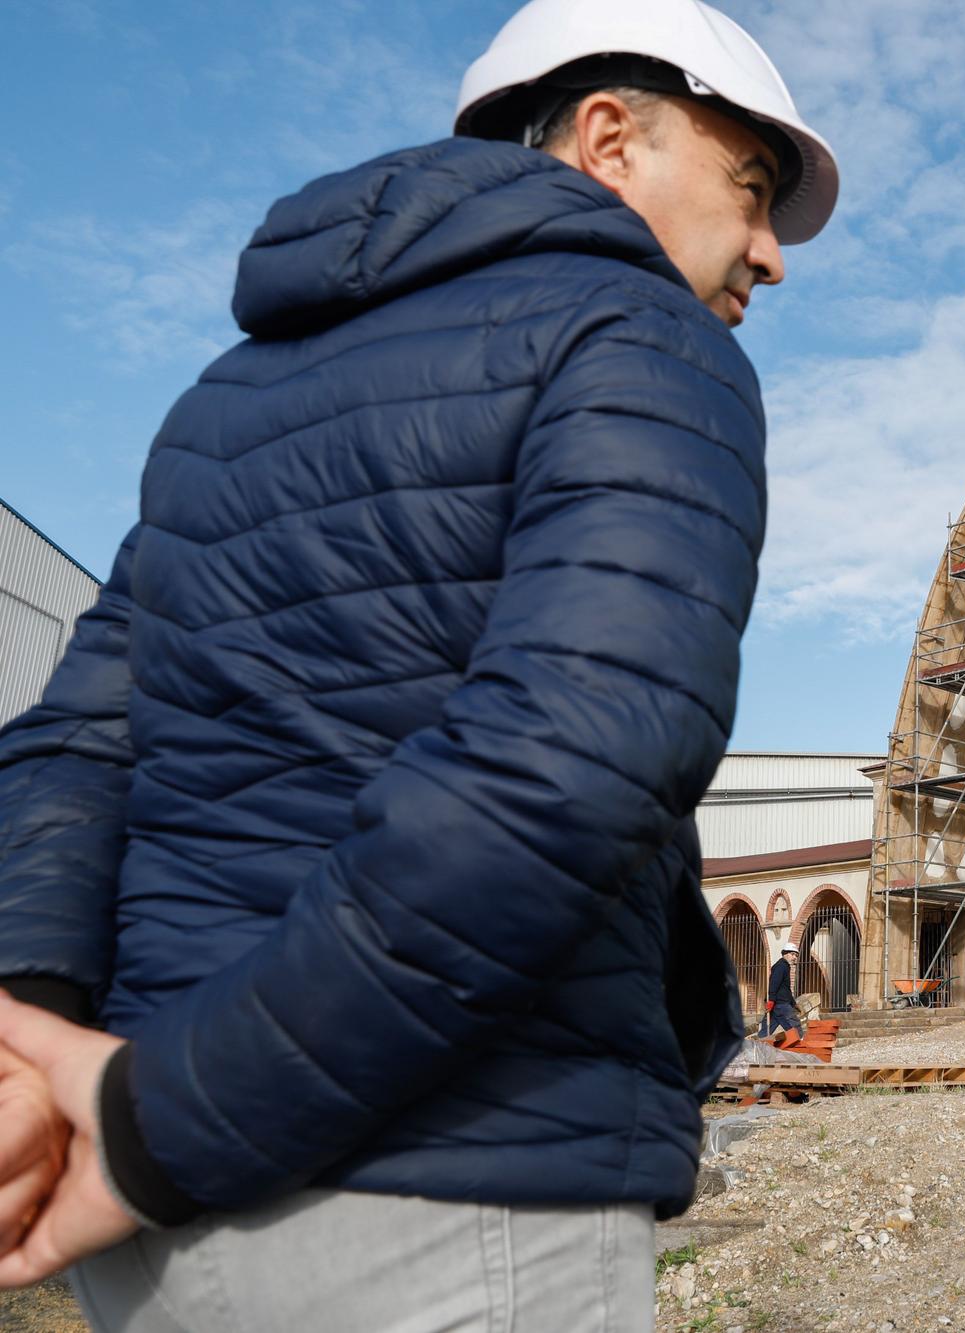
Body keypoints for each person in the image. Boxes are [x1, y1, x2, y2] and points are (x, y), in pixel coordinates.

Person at [0, 0, 837, 1325]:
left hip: (146, 1229)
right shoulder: (639, 339)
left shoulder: (232, 393)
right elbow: (566, 767)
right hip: (448, 1200)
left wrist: (29, 1043)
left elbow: (80, 735)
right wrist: (170, 1119)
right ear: (610, 138)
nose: (768, 255)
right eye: (749, 190)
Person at [762, 941, 803, 1042]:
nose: (794, 957)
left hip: (779, 1005)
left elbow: (785, 988)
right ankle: (802, 1046)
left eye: (796, 955)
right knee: (795, 1028)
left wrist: (793, 1003)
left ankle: (757, 1046)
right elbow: (774, 984)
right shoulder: (781, 966)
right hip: (781, 1004)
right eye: (792, 954)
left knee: (766, 1031)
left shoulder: (785, 966)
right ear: (785, 953)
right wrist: (771, 1000)